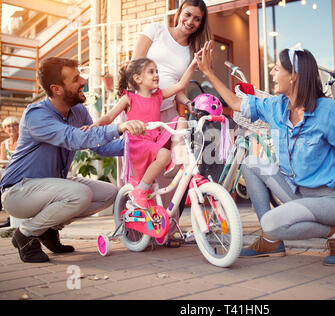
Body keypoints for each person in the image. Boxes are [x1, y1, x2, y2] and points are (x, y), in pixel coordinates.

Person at [196, 41, 335, 266]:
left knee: (272, 222)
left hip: (330, 200)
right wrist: (208, 72)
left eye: (277, 68)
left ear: (294, 76)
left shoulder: (327, 111)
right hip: (296, 191)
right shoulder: (276, 106)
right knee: (250, 163)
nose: (272, 72)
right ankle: (271, 241)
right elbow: (235, 103)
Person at [0, 57, 147, 263]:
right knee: (79, 194)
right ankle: (26, 234)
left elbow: (100, 145)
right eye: (76, 78)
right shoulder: (36, 116)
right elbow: (74, 137)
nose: (83, 81)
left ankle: (48, 228)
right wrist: (118, 128)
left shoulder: (77, 111)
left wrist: (142, 146)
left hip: (52, 188)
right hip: (18, 191)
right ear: (57, 89)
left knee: (110, 193)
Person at [131, 0, 211, 246]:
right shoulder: (156, 31)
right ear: (179, 12)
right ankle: (136, 226)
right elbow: (133, 67)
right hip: (142, 110)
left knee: (169, 173)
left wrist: (188, 103)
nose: (190, 22)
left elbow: (179, 87)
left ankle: (167, 226)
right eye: (188, 15)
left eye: (197, 19)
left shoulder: (190, 51)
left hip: (166, 111)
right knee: (142, 167)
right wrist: (134, 105)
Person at [82, 57, 196, 209]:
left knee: (181, 120)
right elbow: (109, 117)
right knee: (164, 155)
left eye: (157, 71)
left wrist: (194, 63)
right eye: (151, 72)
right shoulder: (128, 98)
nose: (156, 75)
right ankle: (141, 190)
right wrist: (95, 125)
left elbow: (181, 84)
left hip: (154, 140)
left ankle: (179, 157)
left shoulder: (158, 96)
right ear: (138, 78)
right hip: (138, 143)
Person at [0, 116, 20, 228]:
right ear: (4, 129)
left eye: (14, 125)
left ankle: (12, 216)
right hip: (8, 171)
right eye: (8, 126)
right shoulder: (4, 144)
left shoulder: (23, 140)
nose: (11, 128)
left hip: (21, 171)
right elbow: (2, 162)